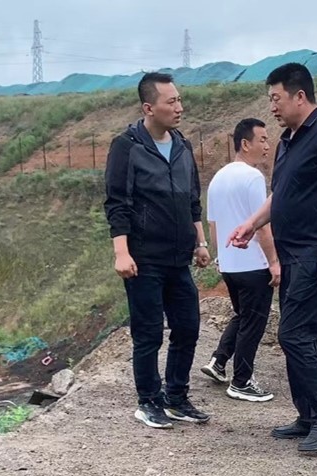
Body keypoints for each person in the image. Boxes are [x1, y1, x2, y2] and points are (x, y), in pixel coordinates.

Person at [227, 63, 317, 453]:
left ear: (300, 96)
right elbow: (279, 195)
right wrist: (251, 223)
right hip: (292, 253)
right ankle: (309, 416)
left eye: (276, 98)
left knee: (294, 335)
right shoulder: (287, 141)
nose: (272, 107)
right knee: (297, 335)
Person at [104, 71, 211, 429]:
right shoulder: (127, 146)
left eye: (179, 100)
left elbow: (191, 200)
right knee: (148, 333)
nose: (179, 107)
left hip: (179, 258)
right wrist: (122, 252)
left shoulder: (182, 145)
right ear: (149, 108)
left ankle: (176, 397)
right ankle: (148, 401)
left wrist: (200, 242)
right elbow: (117, 203)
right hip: (144, 258)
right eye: (172, 101)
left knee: (188, 328)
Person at [200, 118, 278, 403]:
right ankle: (242, 381)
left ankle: (219, 361)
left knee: (243, 316)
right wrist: (274, 262)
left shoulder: (218, 178)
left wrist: (221, 256)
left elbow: (213, 224)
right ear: (245, 144)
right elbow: (262, 225)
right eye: (263, 139)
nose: (267, 146)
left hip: (230, 265)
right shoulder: (252, 177)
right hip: (253, 264)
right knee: (253, 323)